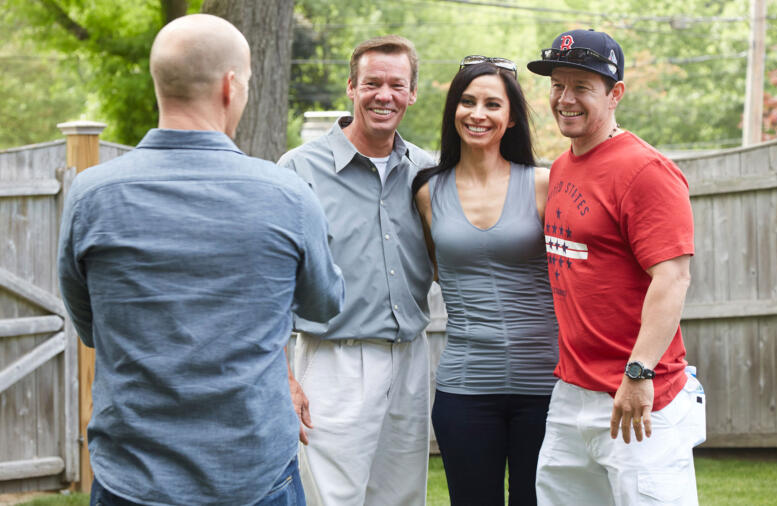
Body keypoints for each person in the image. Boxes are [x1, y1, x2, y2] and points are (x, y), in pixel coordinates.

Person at [57, 14, 344, 506]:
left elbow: (89, 326)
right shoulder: (287, 195)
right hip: (254, 477)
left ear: (158, 84)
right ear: (231, 87)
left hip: (131, 478)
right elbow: (325, 303)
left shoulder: (90, 196)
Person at [527, 29, 705, 505]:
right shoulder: (563, 166)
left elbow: (673, 276)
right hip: (571, 391)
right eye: (557, 85)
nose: (565, 99)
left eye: (582, 87)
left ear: (615, 93)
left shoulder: (646, 171)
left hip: (639, 395)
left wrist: (639, 373)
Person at [277, 35, 435, 506]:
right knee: (331, 499)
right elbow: (271, 284)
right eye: (372, 83)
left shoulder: (426, 171)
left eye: (396, 85)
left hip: (411, 358)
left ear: (411, 94)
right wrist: (283, 377)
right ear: (351, 87)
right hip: (332, 359)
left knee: (403, 497)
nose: (383, 95)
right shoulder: (299, 169)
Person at [411, 56, 558, 505]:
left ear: (510, 118)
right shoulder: (426, 191)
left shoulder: (543, 184)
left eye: (492, 104)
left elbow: (575, 276)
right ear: (453, 110)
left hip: (547, 387)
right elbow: (438, 269)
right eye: (467, 101)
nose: (478, 113)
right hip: (465, 388)